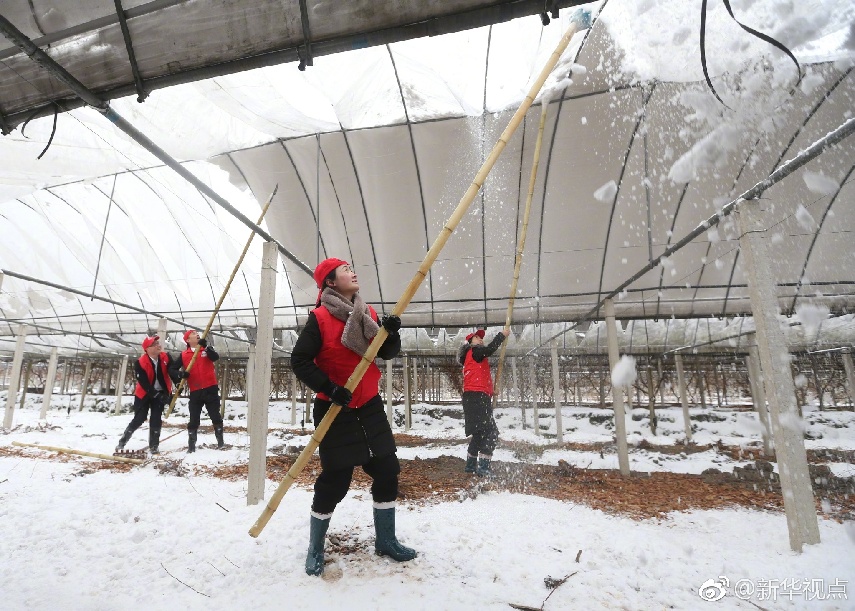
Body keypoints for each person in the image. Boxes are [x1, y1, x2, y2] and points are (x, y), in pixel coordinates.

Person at [291, 257, 416, 576]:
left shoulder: (366, 313)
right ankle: (315, 548)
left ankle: (386, 540)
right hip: (336, 409)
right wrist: (330, 388)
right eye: (345, 270)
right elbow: (300, 361)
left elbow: (385, 352)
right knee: (335, 482)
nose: (353, 272)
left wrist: (391, 334)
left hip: (369, 405)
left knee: (387, 471)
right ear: (330, 282)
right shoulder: (319, 318)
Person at [115, 335, 180, 455]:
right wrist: (157, 395)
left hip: (161, 392)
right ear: (147, 349)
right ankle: (123, 440)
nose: (158, 345)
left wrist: (177, 383)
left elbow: (172, 372)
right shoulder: (140, 363)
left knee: (156, 419)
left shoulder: (166, 357)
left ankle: (154, 446)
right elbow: (144, 383)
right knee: (139, 418)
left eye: (158, 343)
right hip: (144, 394)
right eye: (154, 344)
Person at [456, 328, 508, 476]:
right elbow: (490, 349)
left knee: (479, 433)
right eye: (476, 337)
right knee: (491, 432)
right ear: (470, 342)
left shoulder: (471, 356)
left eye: (481, 337)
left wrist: (490, 391)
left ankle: (471, 465)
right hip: (477, 397)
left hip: (472, 397)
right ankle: (484, 467)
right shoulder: (475, 351)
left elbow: (476, 378)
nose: (480, 339)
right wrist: (501, 336)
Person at [177, 330, 224, 452]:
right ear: (188, 340)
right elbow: (172, 369)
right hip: (195, 391)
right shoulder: (184, 355)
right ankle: (191, 446)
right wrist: (181, 374)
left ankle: (220, 442)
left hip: (210, 389)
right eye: (193, 334)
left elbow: (215, 357)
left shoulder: (206, 350)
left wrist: (206, 347)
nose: (197, 335)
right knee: (194, 419)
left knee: (215, 416)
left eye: (197, 333)